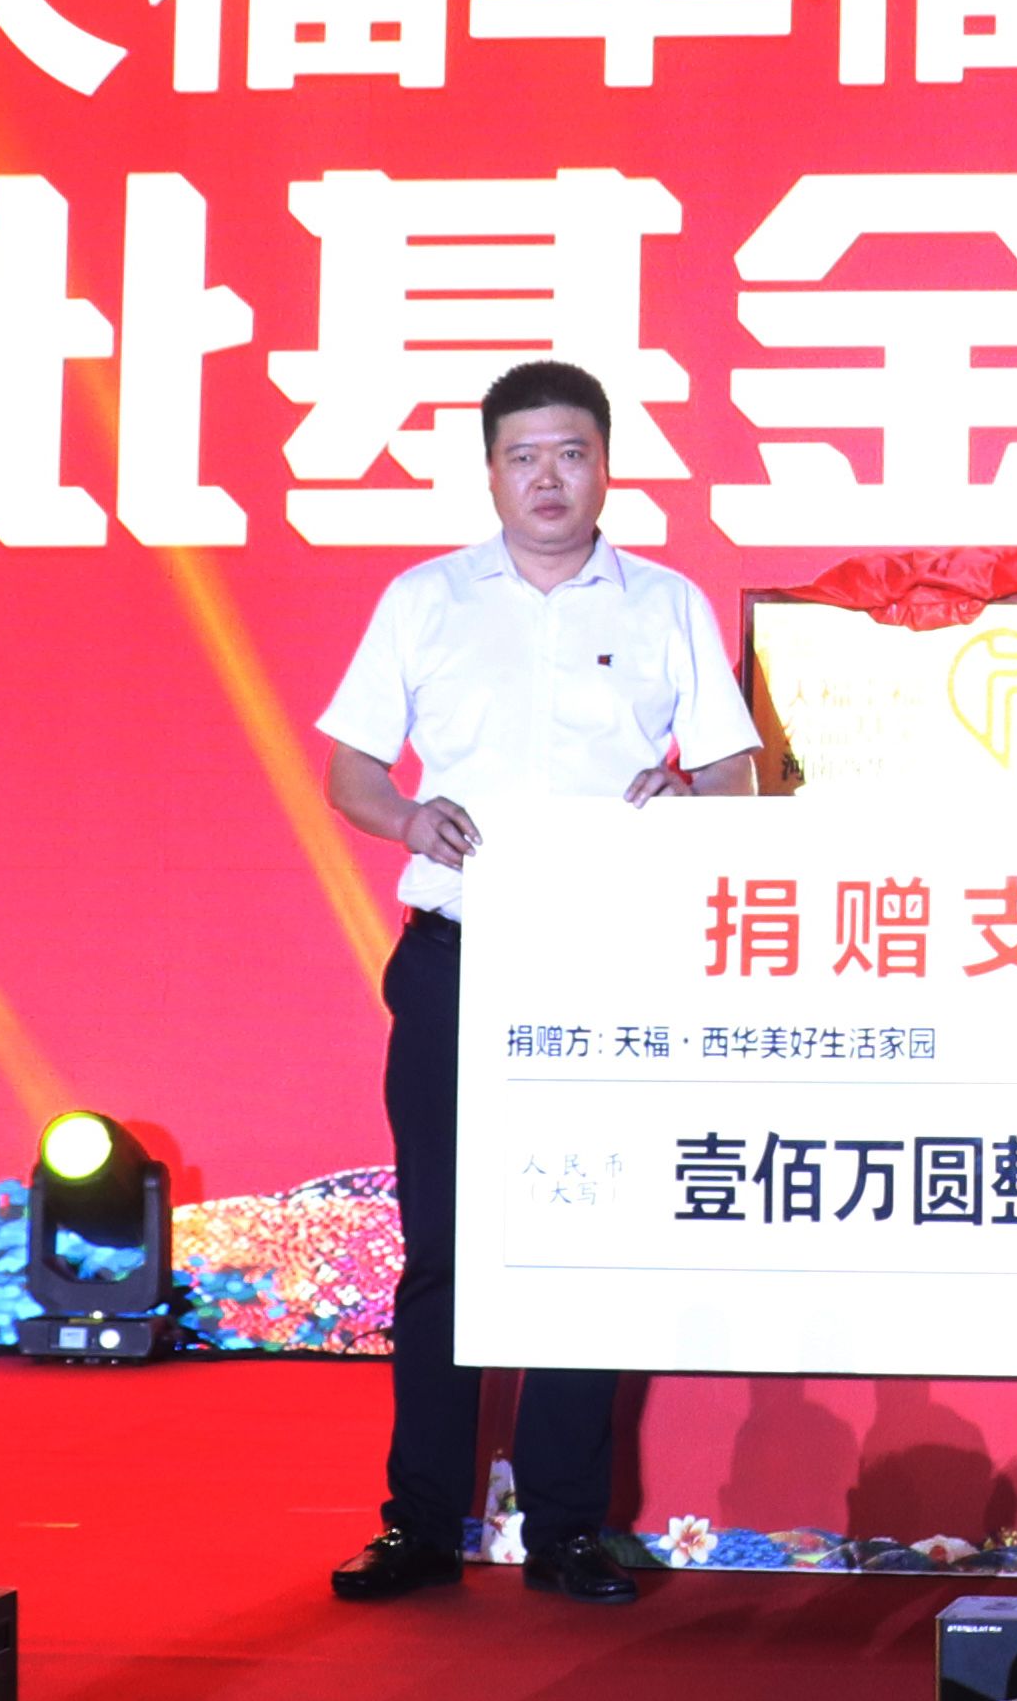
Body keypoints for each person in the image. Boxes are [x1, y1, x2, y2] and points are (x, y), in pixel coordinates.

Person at [317, 359, 761, 1603]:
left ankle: (566, 1526)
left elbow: (737, 772)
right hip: (459, 958)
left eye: (571, 452)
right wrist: (410, 818)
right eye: (524, 456)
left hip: (606, 964)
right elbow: (350, 769)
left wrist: (687, 790)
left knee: (588, 1237)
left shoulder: (665, 600)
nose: (548, 477)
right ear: (490, 471)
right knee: (443, 1246)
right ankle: (421, 1522)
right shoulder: (427, 598)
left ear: (606, 465)